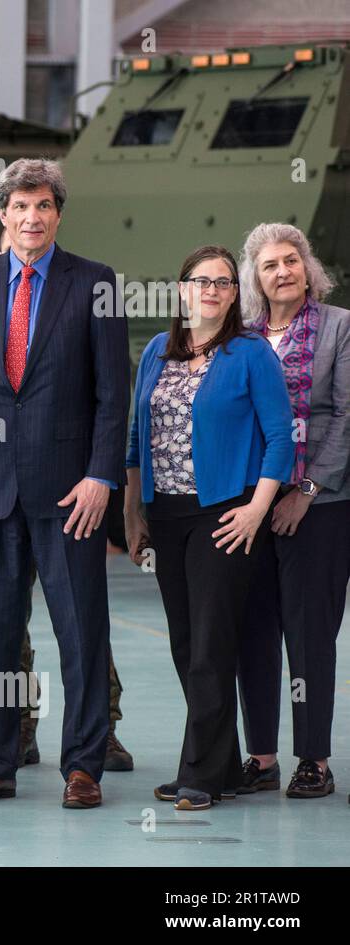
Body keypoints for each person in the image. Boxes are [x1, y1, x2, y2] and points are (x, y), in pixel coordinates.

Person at [0, 158, 128, 809]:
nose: (32, 216)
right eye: (20, 206)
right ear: (3, 214)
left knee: (81, 632)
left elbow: (112, 394)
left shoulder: (94, 282)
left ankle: (84, 765)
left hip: (71, 492)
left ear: (57, 213)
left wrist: (103, 474)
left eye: (43, 205)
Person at [125, 244, 292, 810]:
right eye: (202, 280)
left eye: (224, 282)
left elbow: (279, 440)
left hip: (226, 512)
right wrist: (131, 509)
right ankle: (221, 764)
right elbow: (134, 438)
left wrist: (256, 510)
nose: (213, 290)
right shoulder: (155, 351)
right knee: (185, 643)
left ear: (234, 295)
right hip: (166, 514)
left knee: (212, 644)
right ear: (181, 289)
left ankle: (198, 773)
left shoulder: (250, 353)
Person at [235, 223, 350, 800]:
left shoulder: (340, 327)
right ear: (254, 279)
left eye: (291, 261)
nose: (283, 271)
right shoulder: (245, 338)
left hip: (320, 506)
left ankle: (314, 760)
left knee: (308, 637)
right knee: (253, 633)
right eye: (269, 265)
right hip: (252, 506)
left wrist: (305, 491)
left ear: (308, 268)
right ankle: (261, 757)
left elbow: (348, 417)